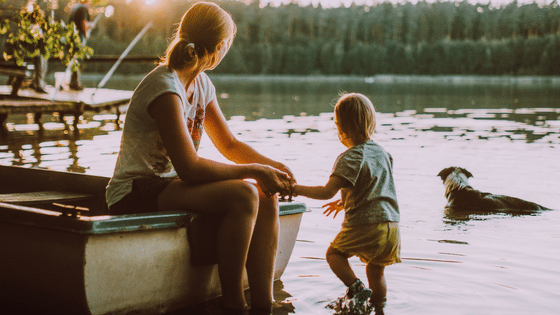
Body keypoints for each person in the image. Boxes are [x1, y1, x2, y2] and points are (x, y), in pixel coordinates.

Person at [105, 3, 294, 315]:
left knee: (265, 195)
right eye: (229, 44)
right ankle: (234, 304)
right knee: (245, 193)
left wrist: (272, 167)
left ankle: (264, 306)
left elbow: (229, 143)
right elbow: (190, 168)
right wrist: (255, 171)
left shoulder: (202, 84)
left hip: (169, 186)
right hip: (134, 192)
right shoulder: (166, 87)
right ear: (220, 47)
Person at [290, 93, 401, 315]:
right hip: (392, 227)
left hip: (365, 224)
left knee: (334, 255)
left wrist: (294, 188)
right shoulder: (383, 153)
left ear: (342, 127)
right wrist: (343, 202)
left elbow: (325, 192)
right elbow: (373, 187)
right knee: (376, 271)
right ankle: (379, 309)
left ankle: (356, 287)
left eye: (337, 125)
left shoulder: (350, 157)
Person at [68, 0, 92, 90]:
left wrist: (89, 25)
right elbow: (82, 22)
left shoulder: (75, 7)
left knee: (74, 59)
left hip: (71, 36)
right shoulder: (83, 8)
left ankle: (73, 82)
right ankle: (74, 83)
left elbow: (79, 22)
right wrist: (86, 34)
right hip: (78, 37)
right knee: (77, 60)